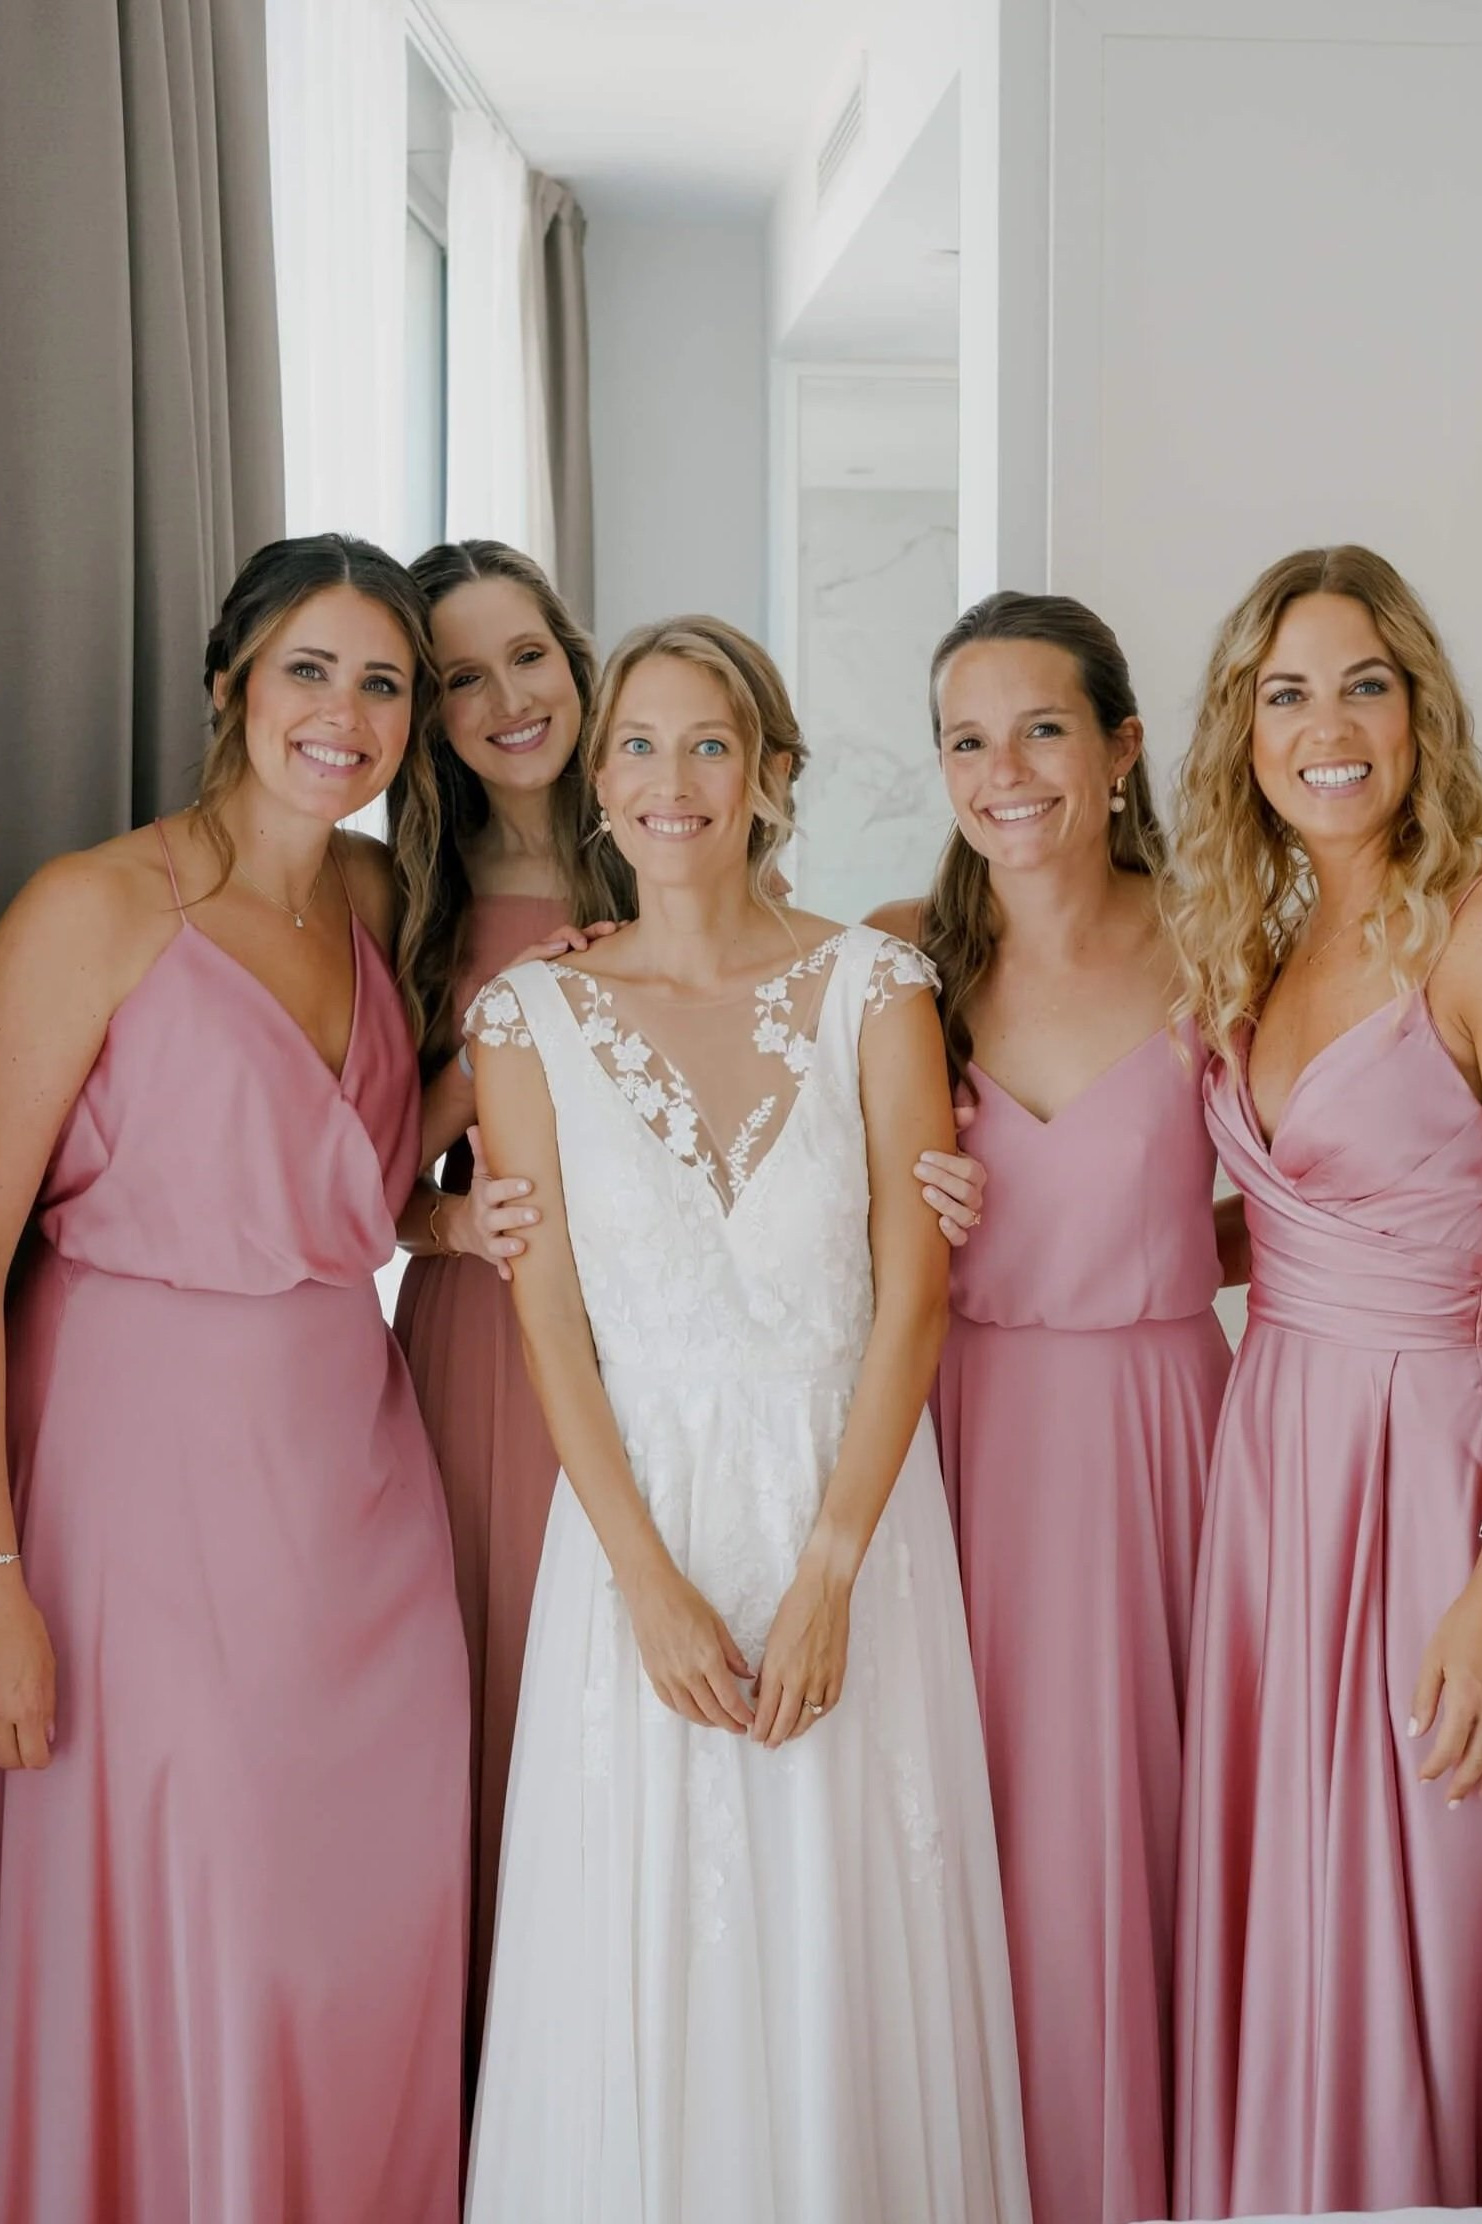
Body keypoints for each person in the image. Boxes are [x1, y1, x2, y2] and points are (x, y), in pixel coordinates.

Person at [385, 543, 991, 2089]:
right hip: (632, 1524)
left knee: (843, 1949)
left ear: (771, 774)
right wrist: (642, 1585)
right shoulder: (527, 1015)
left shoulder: (881, 988)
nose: (672, 781)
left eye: (710, 744)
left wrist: (831, 1570)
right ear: (599, 781)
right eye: (640, 747)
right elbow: (549, 1326)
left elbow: (913, 1298)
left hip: (849, 1516)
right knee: (641, 1954)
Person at [0, 535, 469, 2224]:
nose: (344, 713)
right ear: (228, 686)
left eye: (382, 683)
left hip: (357, 1475)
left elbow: (352, 1188)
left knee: (367, 1911)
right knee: (209, 1900)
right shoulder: (94, 908)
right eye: (307, 671)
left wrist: (471, 1160)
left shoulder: (376, 901)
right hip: (139, 1479)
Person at [871, 591, 1236, 2224]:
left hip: (1163, 1438)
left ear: (1119, 748)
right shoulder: (896, 960)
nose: (1002, 770)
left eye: (1040, 729)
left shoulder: (1220, 942)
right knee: (966, 1822)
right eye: (967, 738)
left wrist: (1162, 1250)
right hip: (960, 1439)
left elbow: (1315, 1196)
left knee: (1148, 1822)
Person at [1168, 544, 1482, 2215]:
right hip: (1277, 1457)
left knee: (1429, 1884)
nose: (1326, 727)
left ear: (1420, 711)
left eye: (1364, 685)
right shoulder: (1267, 940)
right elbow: (1297, 1220)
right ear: (1246, 731)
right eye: (1285, 693)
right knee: (1294, 1886)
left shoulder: (1473, 925)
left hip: (1432, 1471)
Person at [386, 539, 625, 2080]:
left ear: (573, 659)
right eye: (461, 678)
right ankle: (493, 2086)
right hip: (482, 1343)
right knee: (499, 1699)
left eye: (525, 655)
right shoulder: (406, 899)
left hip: (663, 1343)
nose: (506, 699)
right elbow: (364, 1188)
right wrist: (487, 1058)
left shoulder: (668, 839)